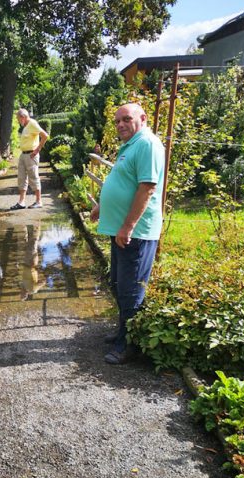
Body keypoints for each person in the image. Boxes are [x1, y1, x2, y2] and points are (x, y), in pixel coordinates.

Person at [90, 103, 165, 365]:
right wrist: (102, 205)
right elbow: (124, 180)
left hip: (136, 233)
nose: (120, 124)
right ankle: (123, 330)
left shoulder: (147, 144)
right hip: (120, 230)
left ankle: (128, 345)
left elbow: (147, 188)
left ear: (142, 119)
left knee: (131, 290)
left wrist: (128, 226)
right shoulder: (131, 144)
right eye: (117, 121)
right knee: (119, 285)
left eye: (126, 119)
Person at [10, 109, 48, 210]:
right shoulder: (26, 126)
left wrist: (37, 150)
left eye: (18, 119)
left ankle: (39, 201)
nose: (18, 121)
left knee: (33, 177)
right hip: (23, 155)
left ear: (23, 117)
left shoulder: (32, 123)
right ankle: (21, 202)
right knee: (21, 178)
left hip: (31, 155)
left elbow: (45, 136)